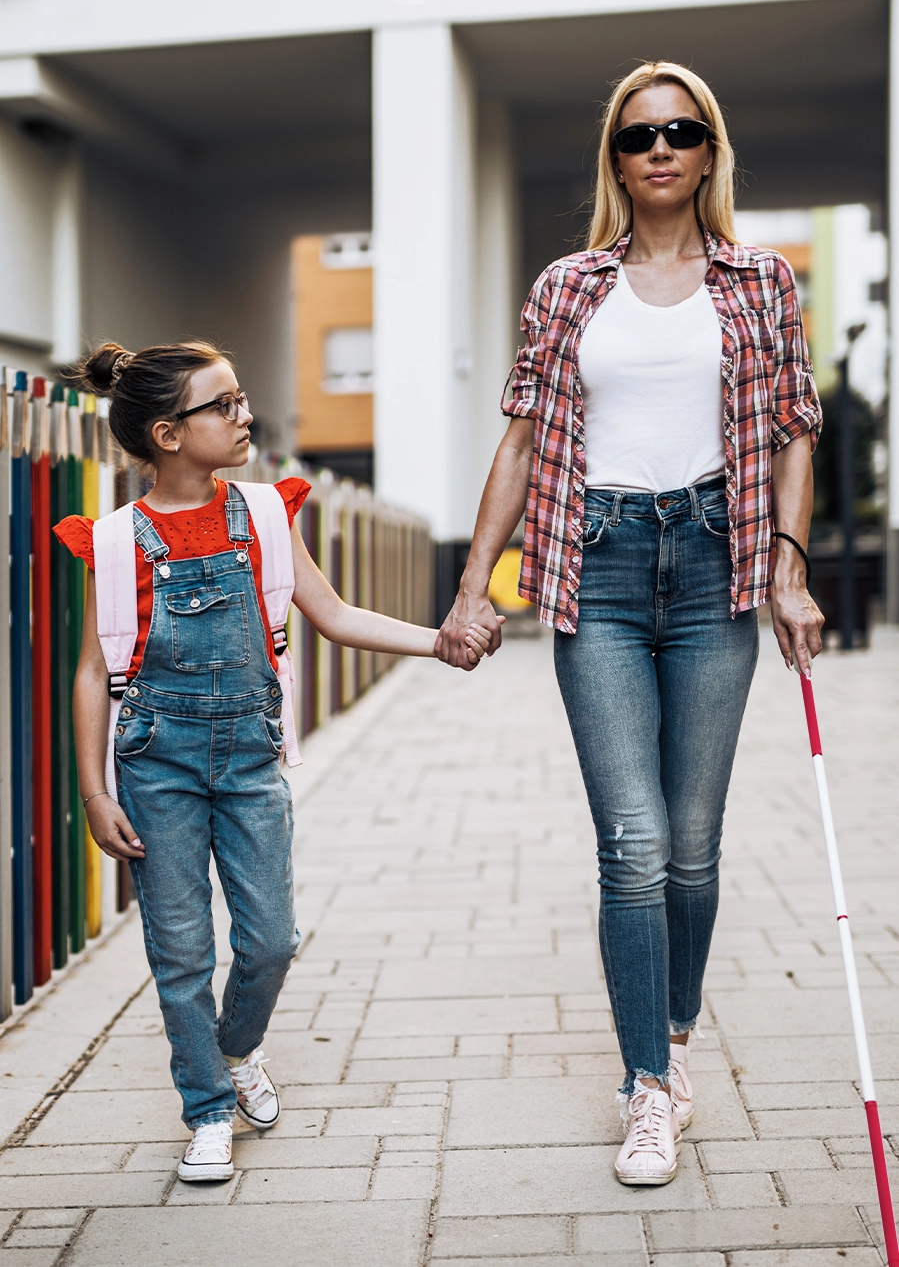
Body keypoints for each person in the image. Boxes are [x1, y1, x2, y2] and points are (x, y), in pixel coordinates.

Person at [436, 61, 824, 1185]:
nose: (658, 148)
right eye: (636, 134)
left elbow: (795, 429)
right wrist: (473, 587)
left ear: (708, 151)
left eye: (680, 130)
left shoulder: (759, 281)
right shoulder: (566, 286)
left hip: (714, 565)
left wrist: (787, 575)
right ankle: (645, 1083)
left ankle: (678, 1027)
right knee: (635, 846)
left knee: (692, 849)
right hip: (592, 567)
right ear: (613, 156)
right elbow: (519, 441)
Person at [56, 340, 493, 1183]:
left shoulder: (262, 513)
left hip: (250, 757)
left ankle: (237, 1049)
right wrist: (92, 789)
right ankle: (208, 1111)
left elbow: (330, 613)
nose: (243, 413)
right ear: (168, 434)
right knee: (180, 951)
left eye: (240, 396)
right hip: (154, 761)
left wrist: (437, 644)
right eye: (221, 405)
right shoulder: (112, 542)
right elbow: (89, 670)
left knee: (269, 942)